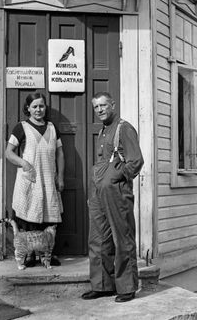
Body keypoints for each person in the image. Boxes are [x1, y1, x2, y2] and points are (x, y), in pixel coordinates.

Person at [82, 91, 144, 302]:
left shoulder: (123, 128)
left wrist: (116, 178)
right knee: (98, 238)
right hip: (99, 191)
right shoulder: (102, 131)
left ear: (113, 105)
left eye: (103, 105)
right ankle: (102, 285)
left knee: (122, 237)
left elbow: (135, 161)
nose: (99, 110)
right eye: (96, 107)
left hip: (116, 191)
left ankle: (126, 287)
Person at [5, 92, 64, 266]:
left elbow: (60, 153)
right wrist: (23, 162)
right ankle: (30, 254)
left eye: (41, 106)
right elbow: (8, 152)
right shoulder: (21, 127)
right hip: (30, 179)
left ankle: (47, 253)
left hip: (48, 178)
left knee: (49, 218)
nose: (38, 109)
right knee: (28, 217)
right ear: (28, 109)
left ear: (45, 108)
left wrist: (60, 176)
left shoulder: (52, 128)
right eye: (35, 106)